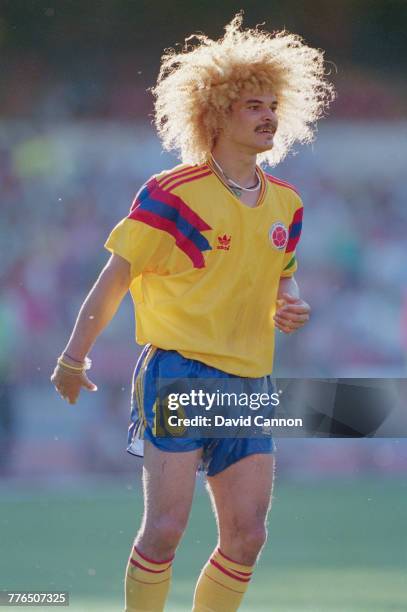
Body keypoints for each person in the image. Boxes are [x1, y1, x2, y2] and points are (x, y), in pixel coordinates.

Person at [51, 14, 334, 612]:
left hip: (250, 380)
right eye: (252, 104)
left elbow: (284, 277)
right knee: (166, 530)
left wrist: (292, 304)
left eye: (273, 104)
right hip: (179, 373)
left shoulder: (287, 202)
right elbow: (115, 278)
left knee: (248, 537)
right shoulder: (171, 193)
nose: (268, 115)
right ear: (216, 113)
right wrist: (73, 356)